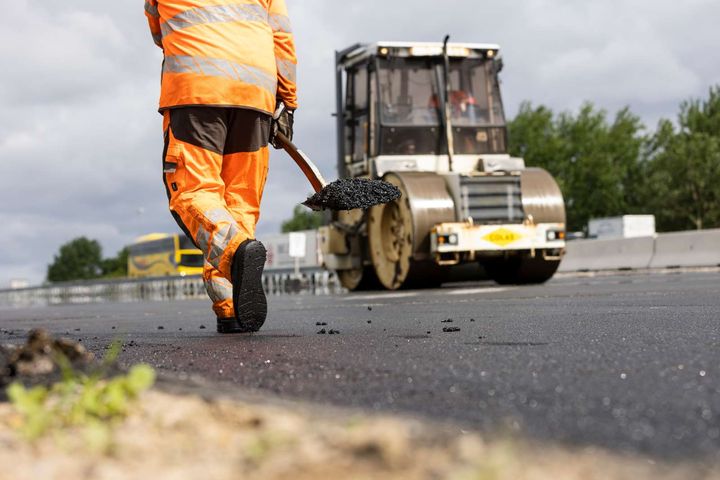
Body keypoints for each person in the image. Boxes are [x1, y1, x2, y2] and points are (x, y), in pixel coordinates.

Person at [144, 0, 298, 334]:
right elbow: (282, 38)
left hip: (197, 86)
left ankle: (236, 252)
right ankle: (231, 309)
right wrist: (289, 102)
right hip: (257, 93)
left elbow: (157, 29)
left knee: (193, 192)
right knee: (239, 203)